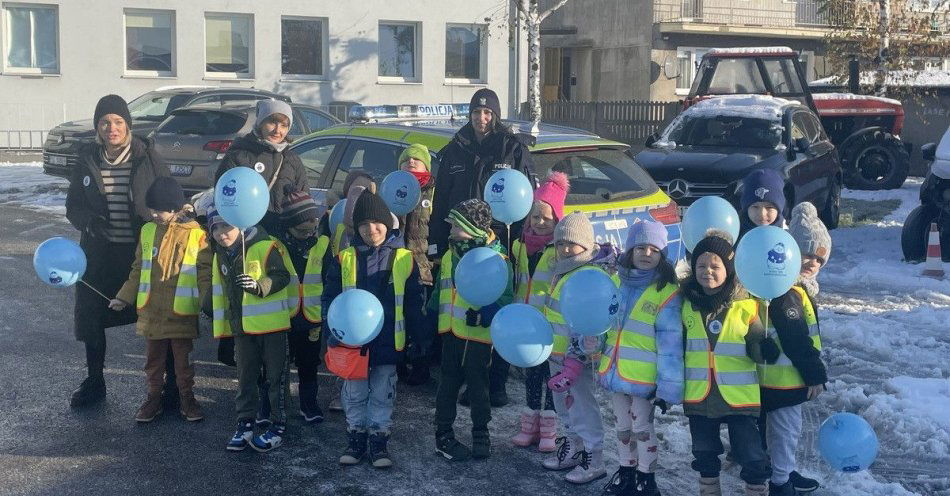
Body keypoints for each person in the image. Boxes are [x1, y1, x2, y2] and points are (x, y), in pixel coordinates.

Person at [65, 94, 171, 408]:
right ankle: (94, 381)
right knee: (91, 315)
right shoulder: (87, 158)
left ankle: (169, 384)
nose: (112, 128)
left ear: (128, 125)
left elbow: (169, 195)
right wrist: (88, 221)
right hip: (98, 252)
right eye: (105, 122)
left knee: (157, 316)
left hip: (141, 252)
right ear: (97, 127)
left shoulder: (147, 157)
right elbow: (73, 206)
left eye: (118, 122)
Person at [322, 190, 426, 468]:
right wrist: (331, 332)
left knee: (383, 392)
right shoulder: (343, 258)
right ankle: (355, 438)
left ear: (388, 223)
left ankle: (379, 441)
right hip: (352, 343)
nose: (371, 229)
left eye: (377, 222)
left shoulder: (404, 259)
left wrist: (419, 339)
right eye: (364, 224)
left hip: (388, 341)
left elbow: (414, 302)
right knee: (354, 393)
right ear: (356, 228)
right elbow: (330, 298)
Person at [109, 177, 211, 423]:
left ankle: (187, 398)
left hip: (180, 313)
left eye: (159, 210)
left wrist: (208, 301)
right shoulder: (147, 231)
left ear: (175, 208)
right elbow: (138, 268)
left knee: (183, 362)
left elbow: (204, 272)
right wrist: (123, 297)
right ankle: (153, 398)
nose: (154, 214)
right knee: (153, 362)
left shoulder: (196, 234)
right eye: (151, 209)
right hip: (152, 312)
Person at [680, 230, 772, 496]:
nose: (707, 271)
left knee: (750, 452)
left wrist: (764, 349)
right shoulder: (685, 305)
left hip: (739, 397)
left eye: (715, 266)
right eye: (701, 266)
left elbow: (756, 345)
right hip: (699, 395)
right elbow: (677, 346)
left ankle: (756, 489)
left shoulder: (746, 306)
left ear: (729, 270)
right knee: (704, 451)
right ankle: (710, 490)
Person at [598, 220, 683, 496]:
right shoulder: (616, 283)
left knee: (642, 428)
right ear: (630, 251)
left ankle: (647, 480)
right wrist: (593, 343)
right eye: (641, 248)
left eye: (654, 250)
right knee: (622, 427)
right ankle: (626, 473)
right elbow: (604, 324)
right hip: (616, 370)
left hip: (645, 379)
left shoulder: (666, 293)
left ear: (662, 256)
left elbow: (670, 345)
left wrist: (668, 387)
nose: (647, 254)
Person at [204, 207, 295, 453]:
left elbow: (282, 276)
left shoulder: (265, 246)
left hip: (272, 326)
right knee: (245, 376)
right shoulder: (221, 254)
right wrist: (210, 308)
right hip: (242, 328)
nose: (221, 233)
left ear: (241, 225)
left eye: (226, 226)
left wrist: (259, 286)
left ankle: (278, 424)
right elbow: (220, 288)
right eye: (215, 228)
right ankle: (244, 422)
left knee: (276, 377)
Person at [432, 199, 514, 462]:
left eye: (457, 226)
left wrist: (485, 315)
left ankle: (481, 432)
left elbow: (505, 298)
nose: (452, 231)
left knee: (479, 388)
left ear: (473, 229)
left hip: (478, 338)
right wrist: (429, 312)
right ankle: (443, 435)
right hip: (450, 333)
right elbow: (441, 288)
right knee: (447, 385)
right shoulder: (449, 255)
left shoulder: (497, 259)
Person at [757, 202, 830, 496]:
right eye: (806, 255)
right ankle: (780, 483)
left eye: (819, 258)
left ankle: (779, 472)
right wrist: (815, 374)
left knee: (775, 433)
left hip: (778, 379)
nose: (813, 262)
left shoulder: (795, 288)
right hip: (783, 382)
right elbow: (796, 339)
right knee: (786, 433)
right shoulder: (787, 293)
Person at [541, 212, 617, 485]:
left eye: (571, 244)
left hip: (578, 360)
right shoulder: (565, 270)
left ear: (585, 244)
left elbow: (589, 322)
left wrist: (575, 359)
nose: (564, 249)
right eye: (560, 243)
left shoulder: (589, 274)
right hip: (558, 355)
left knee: (582, 406)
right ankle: (574, 447)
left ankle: (594, 458)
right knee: (564, 405)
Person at [429, 88, 536, 257]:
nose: (481, 118)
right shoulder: (455, 149)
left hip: (500, 239)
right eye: (476, 112)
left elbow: (528, 198)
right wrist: (436, 245)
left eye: (487, 112)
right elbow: (441, 200)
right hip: (460, 239)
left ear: (496, 115)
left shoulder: (512, 149)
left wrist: (519, 243)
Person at [509, 171, 569, 452]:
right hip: (527, 322)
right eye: (535, 217)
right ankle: (529, 425)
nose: (540, 222)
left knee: (551, 375)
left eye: (546, 218)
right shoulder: (519, 246)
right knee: (531, 374)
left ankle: (549, 428)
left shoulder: (559, 251)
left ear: (557, 219)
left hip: (551, 324)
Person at [276, 189, 331, 424]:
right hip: (284, 315)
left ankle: (309, 403)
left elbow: (329, 278)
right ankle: (278, 404)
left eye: (313, 221)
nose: (309, 228)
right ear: (289, 225)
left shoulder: (323, 244)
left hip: (312, 317)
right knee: (278, 365)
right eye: (302, 225)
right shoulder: (276, 245)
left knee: (309, 363)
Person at [214, 99, 308, 234]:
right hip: (248, 235)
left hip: (283, 237)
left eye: (283, 125)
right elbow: (223, 197)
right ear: (260, 123)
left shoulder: (292, 160)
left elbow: (303, 196)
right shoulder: (239, 155)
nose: (277, 130)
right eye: (272, 122)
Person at [394, 144, 437, 386]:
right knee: (396, 315)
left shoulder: (433, 192)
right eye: (406, 159)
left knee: (419, 318)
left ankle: (421, 366)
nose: (411, 162)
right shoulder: (392, 187)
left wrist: (434, 258)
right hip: (394, 264)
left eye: (417, 159)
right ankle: (397, 363)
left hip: (422, 266)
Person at [739, 169, 788, 239]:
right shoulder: (735, 234)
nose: (762, 214)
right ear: (746, 209)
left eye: (769, 207)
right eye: (755, 207)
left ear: (779, 209)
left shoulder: (786, 236)